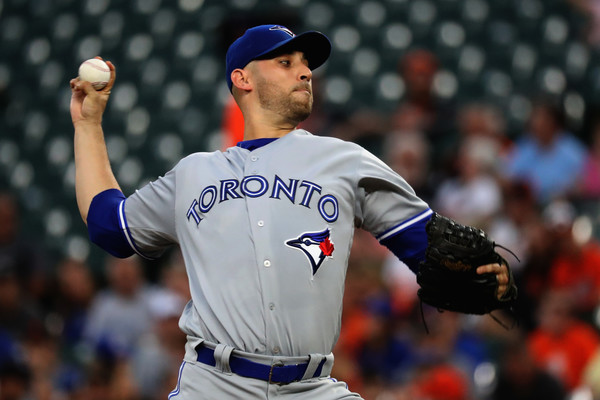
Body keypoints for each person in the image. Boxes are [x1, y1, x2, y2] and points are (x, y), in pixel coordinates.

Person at [69, 24, 513, 399]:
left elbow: (428, 246)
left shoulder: (345, 161)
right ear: (243, 79)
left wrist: (479, 274)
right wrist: (88, 125)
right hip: (213, 385)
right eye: (285, 63)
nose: (304, 72)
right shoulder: (194, 174)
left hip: (312, 386)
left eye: (305, 64)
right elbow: (110, 226)